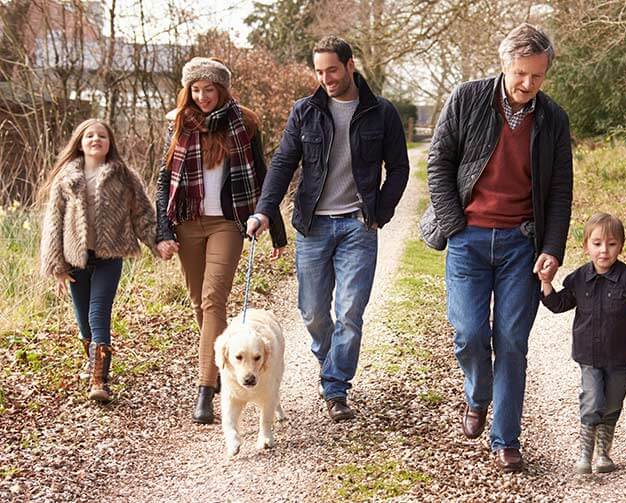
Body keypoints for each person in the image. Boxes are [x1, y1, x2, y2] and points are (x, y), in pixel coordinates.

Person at [419, 23, 573, 472]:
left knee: (510, 341)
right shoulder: (467, 98)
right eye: (521, 73)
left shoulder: (553, 118)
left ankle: (506, 439)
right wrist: (455, 225)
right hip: (467, 239)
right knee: (468, 334)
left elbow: (560, 190)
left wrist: (553, 249)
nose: (527, 84)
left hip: (520, 246)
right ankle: (477, 394)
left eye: (537, 76)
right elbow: (439, 162)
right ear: (505, 64)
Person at [248, 36, 409, 422]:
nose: (326, 78)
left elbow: (399, 169)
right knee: (312, 312)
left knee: (350, 312)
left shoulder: (381, 112)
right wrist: (264, 211)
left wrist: (380, 212)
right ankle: (329, 364)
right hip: (313, 225)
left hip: (358, 225)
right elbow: (284, 163)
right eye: (319, 72)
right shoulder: (305, 111)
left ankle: (335, 387)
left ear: (350, 65)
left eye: (332, 70)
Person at [155, 57, 287, 424]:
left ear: (222, 89)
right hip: (186, 222)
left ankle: (205, 390)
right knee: (200, 304)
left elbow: (262, 176)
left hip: (228, 224)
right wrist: (162, 231)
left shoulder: (244, 122)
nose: (202, 97)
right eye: (195, 90)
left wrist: (275, 228)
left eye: (208, 90)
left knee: (214, 301)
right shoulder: (177, 122)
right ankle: (225, 357)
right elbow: (163, 180)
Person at [40, 118, 158, 402]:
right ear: (80, 142)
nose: (96, 140)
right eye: (90, 136)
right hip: (75, 260)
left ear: (109, 144)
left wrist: (158, 242)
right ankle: (94, 362)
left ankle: (99, 381)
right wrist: (56, 266)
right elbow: (53, 222)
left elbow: (141, 214)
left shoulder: (124, 176)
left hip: (110, 257)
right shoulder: (66, 178)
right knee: (83, 322)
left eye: (102, 136)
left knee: (98, 314)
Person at [540, 213, 626, 474]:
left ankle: (603, 454)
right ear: (586, 246)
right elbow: (559, 304)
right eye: (597, 244)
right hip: (589, 355)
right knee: (593, 399)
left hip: (619, 355)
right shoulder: (578, 279)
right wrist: (546, 283)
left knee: (613, 403)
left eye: (611, 244)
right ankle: (585, 454)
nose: (604, 251)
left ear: (621, 246)